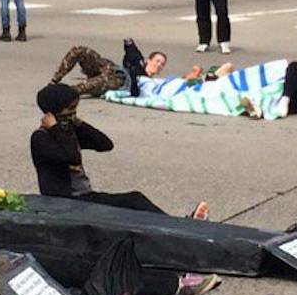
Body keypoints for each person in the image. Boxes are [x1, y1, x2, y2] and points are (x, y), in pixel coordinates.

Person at [30, 83, 209, 220]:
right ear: (52, 113)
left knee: (133, 203)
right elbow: (72, 157)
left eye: (75, 109)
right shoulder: (41, 138)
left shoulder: (67, 131)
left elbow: (105, 144)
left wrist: (78, 123)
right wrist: (56, 129)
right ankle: (177, 227)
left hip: (83, 197)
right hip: (64, 203)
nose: (73, 114)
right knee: (133, 201)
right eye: (69, 110)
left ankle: (177, 225)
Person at [50, 44, 168, 98]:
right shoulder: (137, 63)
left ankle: (61, 93)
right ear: (148, 60)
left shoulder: (151, 83)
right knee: (80, 51)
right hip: (109, 68)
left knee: (97, 83)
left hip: (119, 80)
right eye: (157, 61)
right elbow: (130, 53)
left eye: (162, 64)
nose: (158, 65)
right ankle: (54, 81)